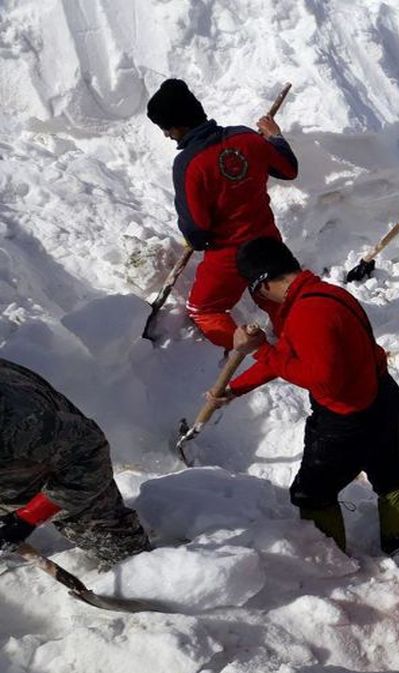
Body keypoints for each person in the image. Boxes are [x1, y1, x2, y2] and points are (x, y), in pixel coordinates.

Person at [211, 238, 399, 561]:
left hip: (349, 420)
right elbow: (292, 358)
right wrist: (236, 388)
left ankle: (329, 561)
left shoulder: (308, 314)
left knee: (312, 493)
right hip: (383, 399)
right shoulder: (327, 294)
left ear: (262, 285)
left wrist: (261, 350)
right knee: (389, 473)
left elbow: (322, 380)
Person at [146, 78, 299, 350]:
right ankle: (297, 339)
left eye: (166, 128)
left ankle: (258, 354)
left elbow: (197, 231)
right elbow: (288, 169)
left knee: (205, 310)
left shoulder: (188, 165)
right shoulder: (247, 137)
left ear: (179, 124)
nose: (167, 135)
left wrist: (194, 237)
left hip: (228, 257)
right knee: (280, 297)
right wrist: (274, 137)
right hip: (268, 243)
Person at [0, 359, 150, 567]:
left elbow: (90, 457)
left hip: (58, 466)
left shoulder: (23, 424)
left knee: (125, 556)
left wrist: (30, 516)